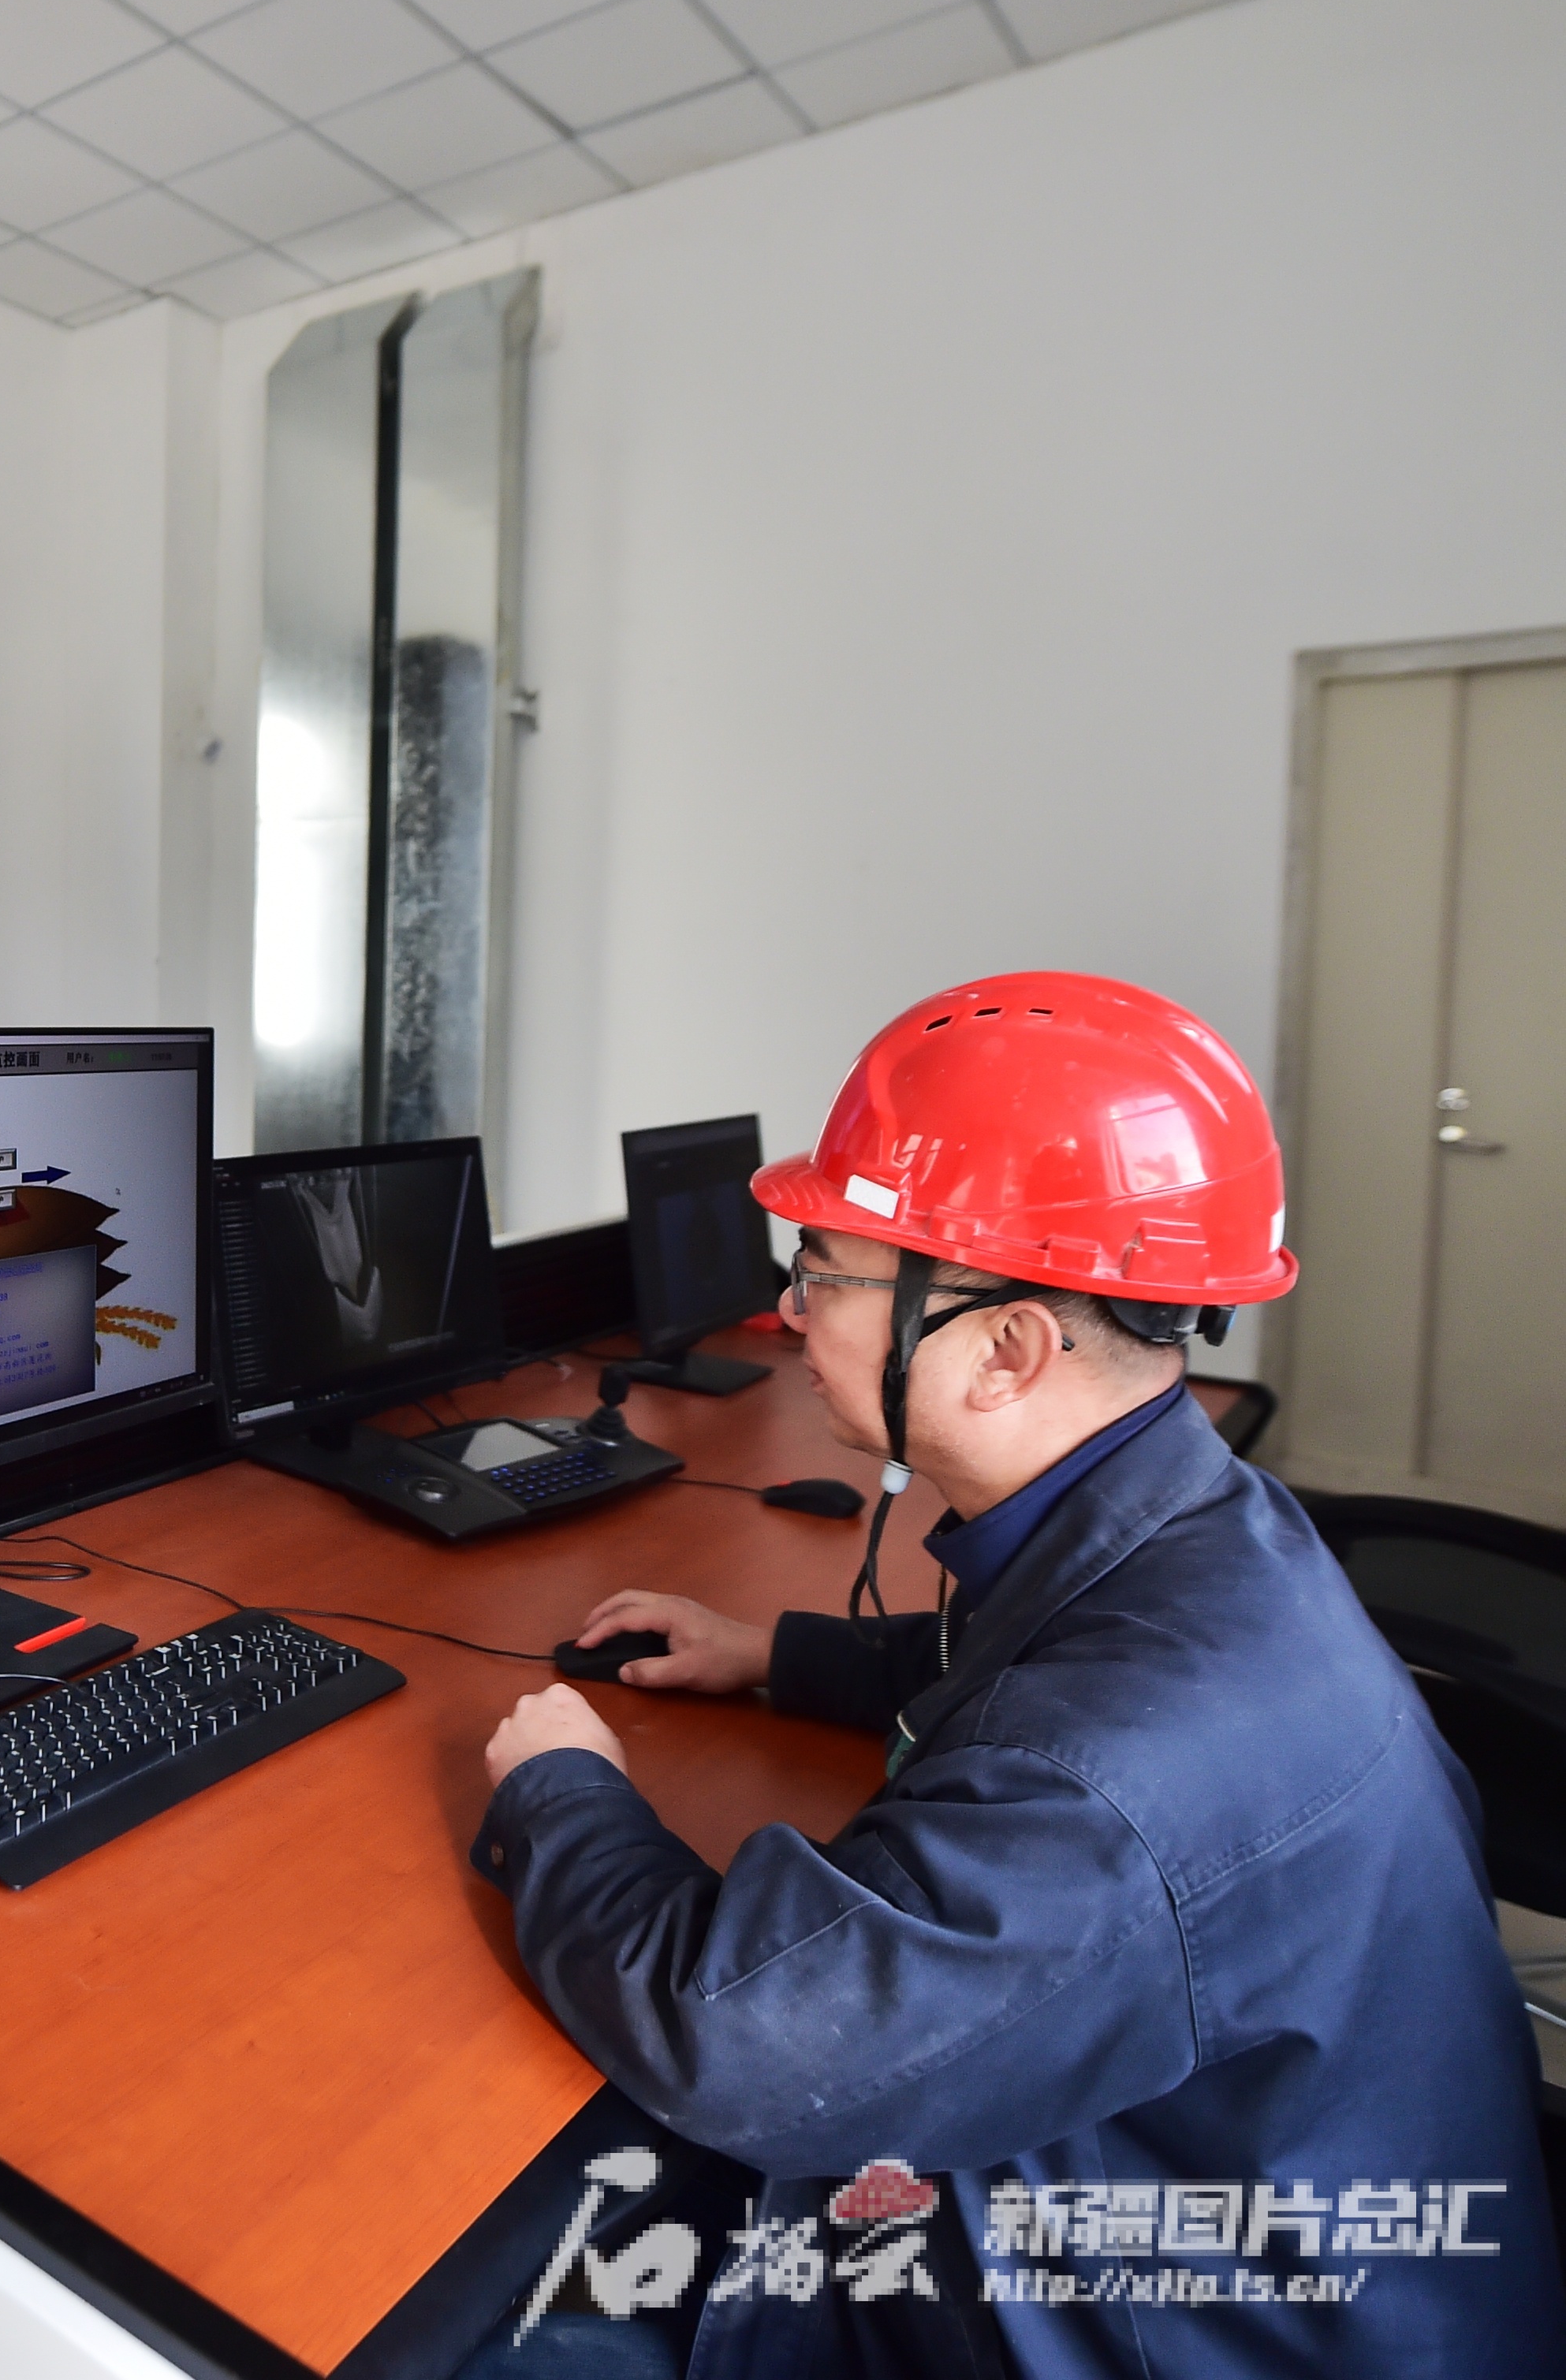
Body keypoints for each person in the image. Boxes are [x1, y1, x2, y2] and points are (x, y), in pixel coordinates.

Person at [469, 971, 1564, 2378]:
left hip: (1205, 2331)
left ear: (1006, 1347)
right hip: (1307, 2245)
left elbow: (733, 2039)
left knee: (495, 2322)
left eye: (824, 1270)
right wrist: (777, 1652)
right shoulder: (1202, 1525)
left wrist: (566, 1790)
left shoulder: (1108, 1779)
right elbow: (1042, 1667)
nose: (789, 1312)